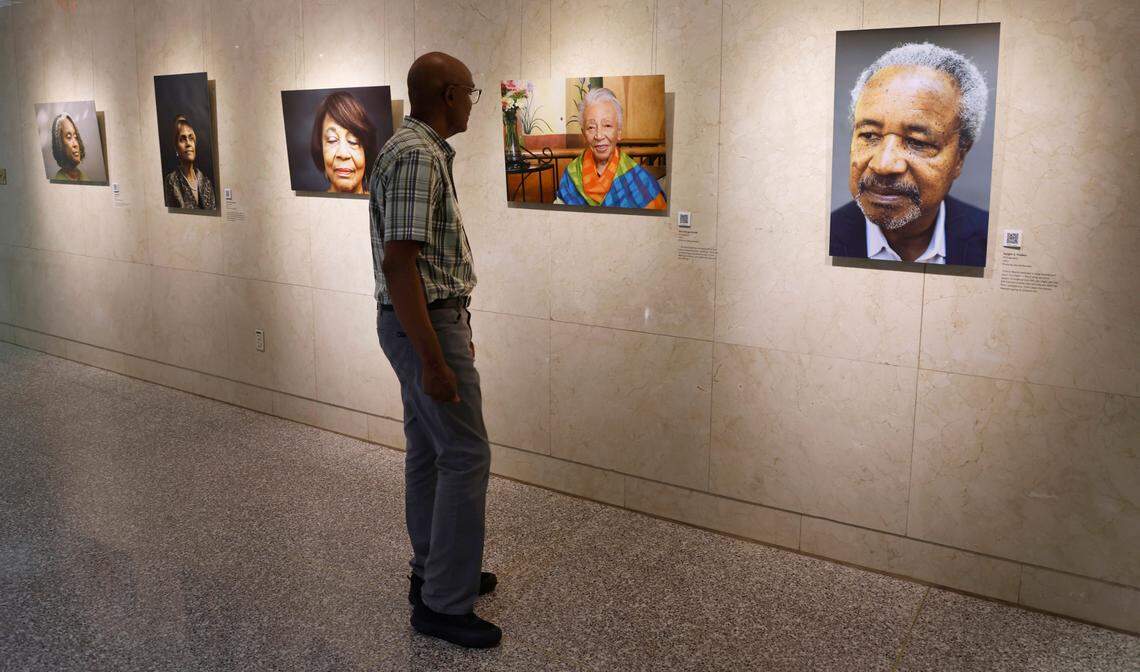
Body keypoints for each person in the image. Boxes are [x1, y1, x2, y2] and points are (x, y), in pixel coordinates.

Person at [369, 51, 500, 649]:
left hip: (427, 320)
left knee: (429, 449)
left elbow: (413, 264)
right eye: (470, 92)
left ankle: (435, 571)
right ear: (448, 95)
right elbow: (401, 264)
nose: (472, 103)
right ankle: (444, 603)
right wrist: (433, 357)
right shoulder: (418, 155)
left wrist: (451, 329)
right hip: (423, 323)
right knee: (466, 454)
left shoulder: (411, 149)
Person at [830, 42, 989, 267]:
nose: (884, 164)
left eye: (917, 142)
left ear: (959, 158)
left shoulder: (988, 243)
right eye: (869, 135)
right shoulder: (817, 241)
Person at [555, 87, 667, 209]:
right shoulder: (571, 175)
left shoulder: (639, 179)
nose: (599, 136)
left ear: (619, 132)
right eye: (591, 127)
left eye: (607, 125)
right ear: (584, 134)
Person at [310, 91, 378, 194]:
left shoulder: (381, 203)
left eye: (353, 141)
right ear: (321, 150)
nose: (343, 154)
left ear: (366, 153)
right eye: (332, 140)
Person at [163, 114, 216, 210]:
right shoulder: (171, 181)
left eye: (191, 138)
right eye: (182, 139)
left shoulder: (206, 183)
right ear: (176, 148)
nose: (188, 143)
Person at [50, 113, 87, 182]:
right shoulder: (59, 181)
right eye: (69, 137)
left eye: (75, 137)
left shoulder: (83, 176)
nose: (75, 144)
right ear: (60, 144)